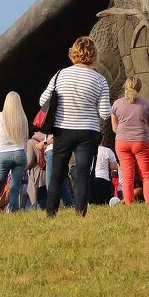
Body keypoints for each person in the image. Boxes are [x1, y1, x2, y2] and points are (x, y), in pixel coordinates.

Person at [39, 36, 112, 217]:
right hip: (88, 131)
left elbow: (42, 101)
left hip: (62, 129)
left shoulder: (60, 75)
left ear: (73, 53)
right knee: (82, 174)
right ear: (93, 54)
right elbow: (105, 113)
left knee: (57, 173)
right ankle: (80, 213)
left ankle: (51, 213)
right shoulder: (100, 80)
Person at [111, 77, 149, 204]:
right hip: (141, 140)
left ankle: (129, 203)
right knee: (147, 175)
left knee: (127, 176)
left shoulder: (116, 104)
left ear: (126, 86)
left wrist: (123, 134)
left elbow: (114, 127)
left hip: (122, 142)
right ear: (140, 88)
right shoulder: (147, 104)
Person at [0, 92, 31, 214]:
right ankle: (13, 212)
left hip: (4, 154)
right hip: (19, 153)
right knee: (15, 187)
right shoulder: (22, 118)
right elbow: (25, 139)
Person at [91, 133, 119, 204]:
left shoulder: (88, 151)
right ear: (102, 139)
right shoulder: (107, 151)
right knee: (104, 202)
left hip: (91, 180)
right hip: (104, 180)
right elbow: (114, 167)